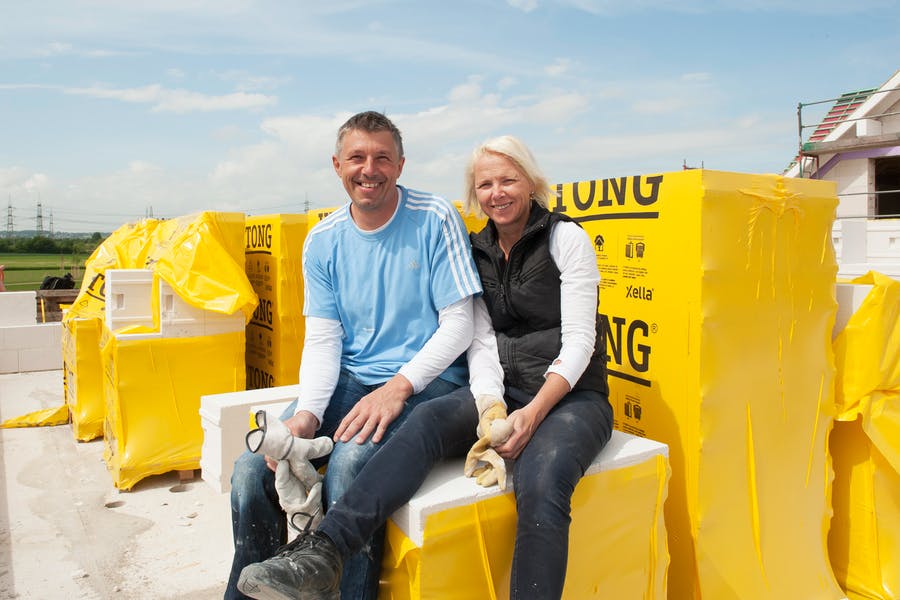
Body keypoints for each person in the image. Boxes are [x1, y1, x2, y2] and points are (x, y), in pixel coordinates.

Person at [237, 135, 614, 600]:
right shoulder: (477, 250)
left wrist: (533, 414)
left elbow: (580, 341)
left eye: (509, 180)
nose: (498, 193)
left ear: (531, 182)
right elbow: (480, 341)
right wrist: (492, 404)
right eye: (486, 184)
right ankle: (325, 552)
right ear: (474, 195)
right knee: (428, 420)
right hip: (504, 391)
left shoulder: (565, 238)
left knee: (541, 481)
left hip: (572, 397)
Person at [226, 111, 482, 600]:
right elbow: (325, 342)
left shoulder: (434, 218)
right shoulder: (323, 240)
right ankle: (253, 591)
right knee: (251, 470)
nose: (370, 169)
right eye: (357, 157)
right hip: (352, 377)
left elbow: (460, 325)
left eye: (382, 157)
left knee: (349, 465)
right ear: (337, 165)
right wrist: (306, 416)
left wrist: (397, 388)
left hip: (429, 381)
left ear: (401, 165)